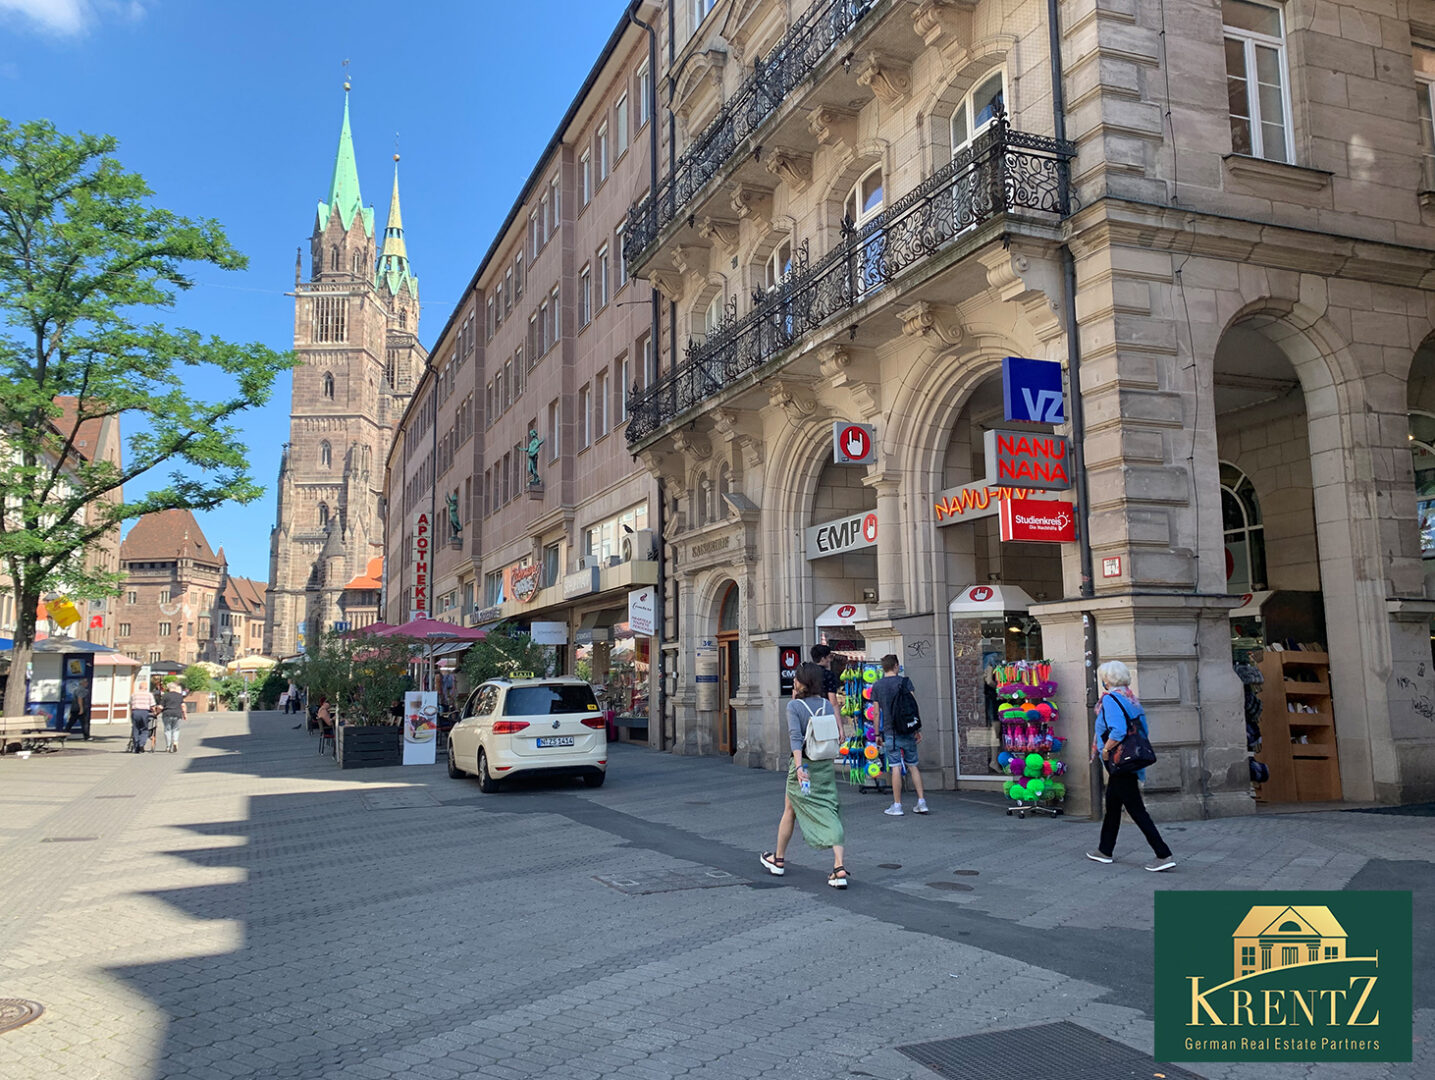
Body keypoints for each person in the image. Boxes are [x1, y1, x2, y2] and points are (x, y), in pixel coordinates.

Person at [760, 662, 850, 888]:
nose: (794, 681)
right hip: (825, 766)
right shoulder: (826, 704)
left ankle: (778, 860)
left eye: (796, 678)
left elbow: (795, 738)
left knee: (789, 810)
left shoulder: (794, 707)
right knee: (830, 808)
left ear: (802, 683)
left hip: (804, 765)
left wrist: (799, 768)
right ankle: (838, 866)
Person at [1086, 660, 1175, 871]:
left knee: (1136, 810)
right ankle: (1104, 850)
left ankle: (1163, 854)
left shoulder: (1111, 700)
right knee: (1113, 806)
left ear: (1107, 680)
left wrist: (1106, 751)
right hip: (1130, 759)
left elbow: (1117, 730)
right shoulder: (1131, 698)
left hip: (1119, 760)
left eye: (1103, 678)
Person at [873, 654, 928, 816]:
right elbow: (913, 706)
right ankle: (921, 801)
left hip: (891, 732)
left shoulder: (878, 686)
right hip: (908, 729)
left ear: (884, 667)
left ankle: (897, 805)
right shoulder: (905, 682)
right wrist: (917, 729)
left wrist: (877, 733)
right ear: (896, 666)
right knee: (913, 765)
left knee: (895, 766)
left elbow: (876, 713)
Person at [809, 644, 844, 719]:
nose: (830, 660)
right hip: (823, 712)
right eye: (829, 657)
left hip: (806, 711)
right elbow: (833, 702)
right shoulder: (828, 675)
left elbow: (795, 694)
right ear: (823, 658)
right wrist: (839, 726)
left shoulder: (804, 673)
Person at [158, 681, 186, 754]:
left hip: (167, 714)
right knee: (176, 729)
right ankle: (175, 742)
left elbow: (161, 707)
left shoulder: (165, 696)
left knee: (167, 730)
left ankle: (168, 746)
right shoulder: (179, 696)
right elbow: (183, 706)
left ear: (168, 688)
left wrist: (157, 712)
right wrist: (184, 714)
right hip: (177, 714)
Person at [129, 683, 155, 753]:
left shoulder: (134, 694)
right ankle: (141, 744)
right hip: (144, 712)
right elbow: (152, 706)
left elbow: (130, 704)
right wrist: (154, 712)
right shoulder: (149, 694)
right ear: (146, 688)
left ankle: (136, 746)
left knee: (135, 729)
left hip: (135, 711)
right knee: (144, 729)